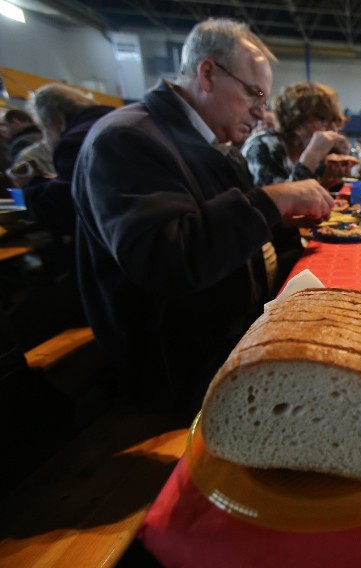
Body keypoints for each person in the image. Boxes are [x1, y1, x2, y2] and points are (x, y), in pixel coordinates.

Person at [72, 18, 334, 414]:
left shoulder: (210, 142)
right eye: (253, 94)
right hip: (177, 367)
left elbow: (226, 234)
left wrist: (277, 223)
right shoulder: (127, 138)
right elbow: (167, 259)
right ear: (208, 73)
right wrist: (269, 202)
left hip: (228, 335)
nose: (262, 114)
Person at [14, 84, 114, 241]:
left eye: (44, 129)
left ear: (59, 121)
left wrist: (31, 184)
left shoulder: (76, 140)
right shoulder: (117, 120)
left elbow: (62, 212)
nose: (45, 141)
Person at [241, 80, 351, 190]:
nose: (333, 129)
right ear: (297, 123)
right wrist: (311, 157)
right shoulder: (262, 146)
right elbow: (275, 202)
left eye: (334, 122)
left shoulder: (301, 149)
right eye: (323, 120)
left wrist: (325, 183)